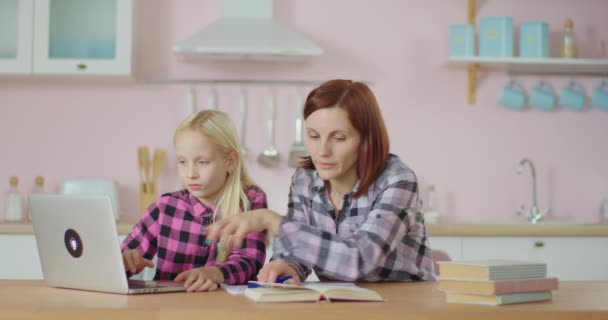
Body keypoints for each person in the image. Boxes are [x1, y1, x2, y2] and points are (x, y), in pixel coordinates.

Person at [206, 79, 435, 284]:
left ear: (367, 139)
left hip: (405, 307)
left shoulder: (397, 180)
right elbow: (299, 248)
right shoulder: (305, 178)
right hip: (340, 305)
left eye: (338, 138)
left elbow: (359, 260)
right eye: (314, 136)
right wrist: (288, 266)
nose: (322, 151)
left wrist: (271, 220)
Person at [121, 110, 268, 292]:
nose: (190, 173)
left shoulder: (250, 202)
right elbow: (121, 257)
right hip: (168, 310)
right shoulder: (165, 207)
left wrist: (215, 273)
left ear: (230, 162)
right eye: (182, 162)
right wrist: (125, 261)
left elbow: (250, 261)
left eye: (202, 162)